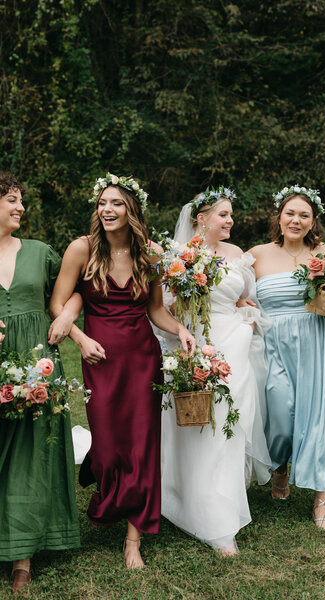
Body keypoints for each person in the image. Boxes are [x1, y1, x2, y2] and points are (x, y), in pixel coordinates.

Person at [49, 173, 195, 569]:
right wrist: (79, 339)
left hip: (142, 358)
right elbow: (58, 303)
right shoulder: (81, 250)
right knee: (110, 443)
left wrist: (179, 327)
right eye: (102, 204)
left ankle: (134, 537)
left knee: (143, 445)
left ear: (132, 211)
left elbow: (156, 309)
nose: (107, 210)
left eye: (116, 204)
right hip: (100, 359)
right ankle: (100, 471)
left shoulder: (151, 254)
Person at [161, 186, 272, 554]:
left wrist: (248, 317)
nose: (230, 221)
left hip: (236, 348)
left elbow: (241, 296)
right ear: (201, 219)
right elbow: (166, 308)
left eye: (230, 215)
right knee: (202, 424)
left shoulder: (238, 253)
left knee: (231, 426)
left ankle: (223, 507)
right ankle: (200, 508)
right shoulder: (181, 256)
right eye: (223, 215)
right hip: (198, 345)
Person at [0, 173, 80, 593]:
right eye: (12, 200)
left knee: (31, 451)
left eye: (20, 201)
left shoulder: (40, 252)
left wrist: (66, 315)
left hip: (35, 363)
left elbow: (77, 288)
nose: (21, 208)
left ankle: (22, 555)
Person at [250, 185, 325, 530]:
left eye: (304, 215)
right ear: (279, 216)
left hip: (318, 340)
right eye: (290, 213)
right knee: (280, 411)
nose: (296, 220)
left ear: (313, 221)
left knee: (319, 418)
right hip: (273, 343)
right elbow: (237, 292)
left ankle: (321, 499)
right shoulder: (257, 254)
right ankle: (280, 466)